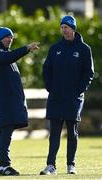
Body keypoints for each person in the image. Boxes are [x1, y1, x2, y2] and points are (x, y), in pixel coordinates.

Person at [40, 15, 94, 175]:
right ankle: (51, 165)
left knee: (72, 132)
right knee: (54, 132)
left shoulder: (84, 49)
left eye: (67, 27)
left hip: (74, 98)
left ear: (73, 29)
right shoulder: (55, 48)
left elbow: (88, 73)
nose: (64, 30)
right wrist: (50, 87)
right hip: (56, 97)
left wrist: (79, 90)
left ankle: (71, 165)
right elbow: (46, 70)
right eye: (62, 27)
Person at [0, 27, 40, 176]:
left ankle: (3, 165)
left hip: (9, 102)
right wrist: (27, 48)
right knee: (5, 132)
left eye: (11, 38)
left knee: (7, 132)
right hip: (4, 102)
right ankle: (3, 166)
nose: (9, 40)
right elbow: (7, 58)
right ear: (0, 39)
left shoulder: (4, 53)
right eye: (6, 37)